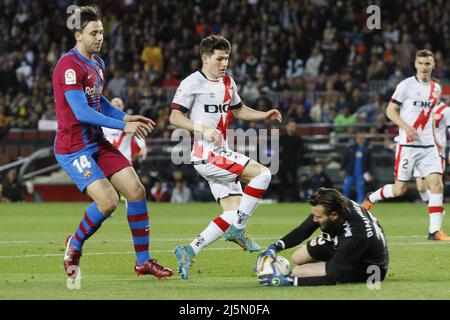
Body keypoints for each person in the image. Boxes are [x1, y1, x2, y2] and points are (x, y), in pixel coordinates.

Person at [52, 6, 173, 279]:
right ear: (78, 35)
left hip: (96, 141)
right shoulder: (68, 67)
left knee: (135, 190)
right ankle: (75, 243)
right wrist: (123, 125)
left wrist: (126, 115)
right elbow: (81, 112)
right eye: (93, 33)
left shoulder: (97, 64)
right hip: (73, 148)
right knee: (108, 202)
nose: (99, 38)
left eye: (102, 32)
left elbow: (99, 101)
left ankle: (143, 262)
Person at [169, 34, 282, 279]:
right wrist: (203, 129)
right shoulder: (192, 82)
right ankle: (238, 231)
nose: (224, 64)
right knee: (262, 174)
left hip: (220, 153)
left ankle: (189, 250)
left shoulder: (229, 83)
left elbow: (239, 110)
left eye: (227, 59)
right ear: (205, 58)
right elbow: (175, 117)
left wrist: (264, 114)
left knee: (232, 213)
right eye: (219, 59)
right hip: (206, 155)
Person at [362, 50, 450, 241]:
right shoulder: (406, 85)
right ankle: (371, 197)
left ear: (434, 65)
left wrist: (436, 140)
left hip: (428, 147)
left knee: (436, 184)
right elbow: (390, 111)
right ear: (416, 65)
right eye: (421, 63)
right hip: (407, 145)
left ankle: (434, 231)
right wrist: (407, 128)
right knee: (399, 189)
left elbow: (432, 117)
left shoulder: (436, 88)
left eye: (428, 64)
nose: (424, 67)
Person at [256, 188, 389, 286]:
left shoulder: (354, 237)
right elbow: (303, 230)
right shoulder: (338, 203)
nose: (314, 219)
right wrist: (274, 248)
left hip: (369, 267)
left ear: (334, 215)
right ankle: (330, 262)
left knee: (298, 272)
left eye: (318, 217)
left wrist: (288, 282)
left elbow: (330, 278)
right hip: (342, 241)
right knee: (297, 257)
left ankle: (333, 263)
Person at [102, 97, 147, 164]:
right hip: (110, 158)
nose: (116, 107)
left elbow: (138, 132)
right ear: (110, 107)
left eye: (119, 105)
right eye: (114, 106)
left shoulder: (129, 122)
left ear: (123, 106)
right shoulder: (105, 123)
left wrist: (143, 147)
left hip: (125, 158)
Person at [342, 132, 373, 203]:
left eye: (362, 138)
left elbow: (370, 163)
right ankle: (344, 204)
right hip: (350, 173)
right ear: (356, 138)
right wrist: (342, 169)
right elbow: (345, 159)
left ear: (364, 139)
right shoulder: (351, 148)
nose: (360, 139)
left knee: (360, 190)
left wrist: (370, 173)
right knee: (346, 189)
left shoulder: (367, 149)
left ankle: (360, 206)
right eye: (359, 138)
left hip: (361, 174)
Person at [277, 120, 304, 201]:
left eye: (293, 126)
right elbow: (277, 150)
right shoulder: (282, 138)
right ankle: (281, 199)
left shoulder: (298, 139)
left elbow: (301, 151)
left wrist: (298, 162)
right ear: (287, 127)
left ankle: (296, 199)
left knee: (295, 182)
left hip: (294, 163)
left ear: (295, 128)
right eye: (290, 126)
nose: (292, 128)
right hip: (283, 163)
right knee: (282, 181)